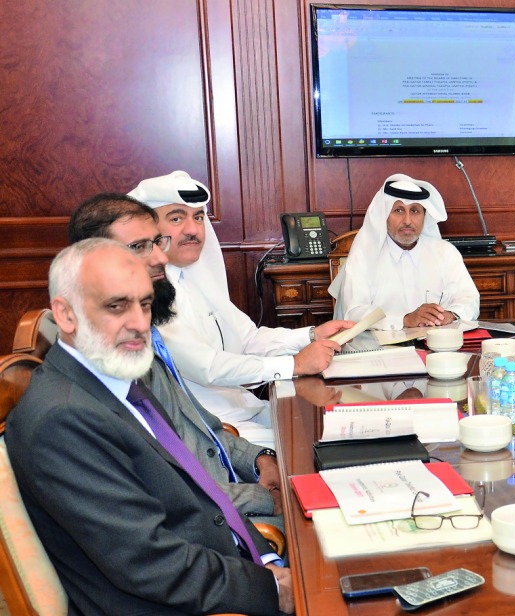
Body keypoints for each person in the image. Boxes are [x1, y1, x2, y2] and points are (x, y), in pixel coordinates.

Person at [6, 239, 291, 615]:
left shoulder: (117, 376)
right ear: (66, 314)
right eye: (117, 306)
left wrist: (269, 563)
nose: (140, 323)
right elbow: (149, 564)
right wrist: (271, 589)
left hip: (219, 566)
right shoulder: (62, 419)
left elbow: (205, 497)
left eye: (143, 303)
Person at [67, 193, 283, 527]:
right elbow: (164, 493)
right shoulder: (93, 376)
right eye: (139, 246)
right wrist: (263, 498)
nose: (160, 257)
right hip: (211, 524)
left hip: (228, 490)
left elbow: (200, 427)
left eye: (156, 242)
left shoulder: (141, 339)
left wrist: (259, 458)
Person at [129, 170, 353, 446]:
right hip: (211, 428)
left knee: (339, 428)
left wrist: (310, 336)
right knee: (317, 447)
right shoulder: (147, 292)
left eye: (198, 217)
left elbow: (247, 338)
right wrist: (294, 364)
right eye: (176, 218)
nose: (192, 229)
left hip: (246, 410)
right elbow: (208, 367)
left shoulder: (198, 277)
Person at [330, 173, 480, 328]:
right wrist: (404, 320)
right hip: (380, 350)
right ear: (385, 214)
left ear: (424, 216)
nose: (407, 221)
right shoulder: (364, 257)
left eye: (414, 211)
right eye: (399, 210)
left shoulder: (446, 253)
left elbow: (470, 299)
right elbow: (354, 312)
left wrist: (451, 314)